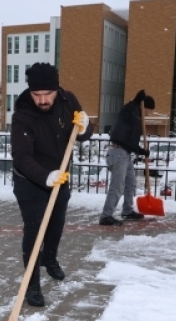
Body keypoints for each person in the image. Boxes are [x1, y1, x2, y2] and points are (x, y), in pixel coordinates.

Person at [11, 63, 93, 307]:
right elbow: (21, 156)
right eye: (37, 94)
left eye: (48, 94)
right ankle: (32, 285)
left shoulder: (68, 101)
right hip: (30, 180)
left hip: (61, 176)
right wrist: (45, 176)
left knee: (56, 225)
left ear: (57, 89)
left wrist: (85, 126)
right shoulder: (22, 115)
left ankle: (50, 259)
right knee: (35, 232)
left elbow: (82, 133)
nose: (43, 100)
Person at [99, 90, 155, 225]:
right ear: (143, 106)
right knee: (117, 186)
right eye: (148, 110)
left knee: (131, 184)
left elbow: (130, 140)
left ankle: (127, 210)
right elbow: (126, 109)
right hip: (118, 152)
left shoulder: (136, 119)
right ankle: (106, 216)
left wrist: (141, 151)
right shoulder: (130, 112)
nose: (149, 114)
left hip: (126, 154)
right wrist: (136, 101)